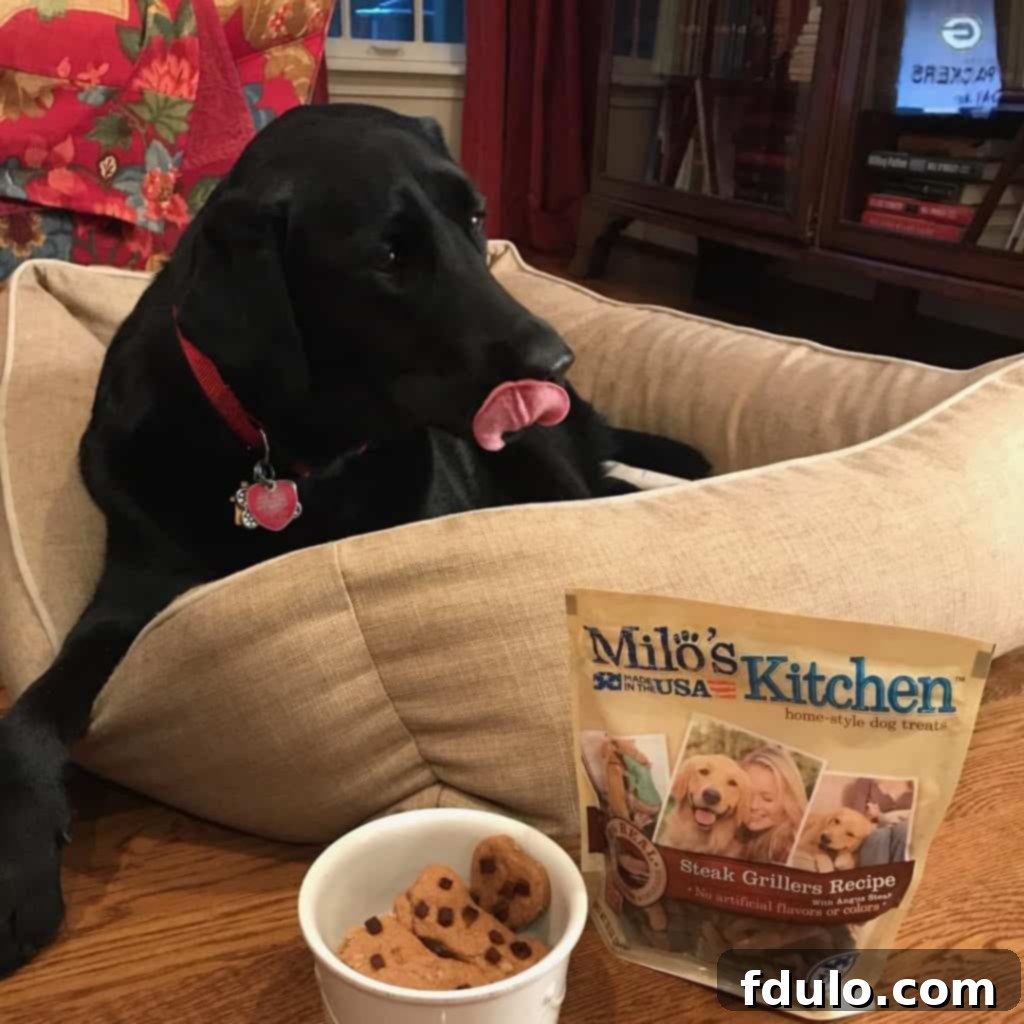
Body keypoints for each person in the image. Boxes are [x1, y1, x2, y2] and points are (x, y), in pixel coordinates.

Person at [739, 745, 809, 864]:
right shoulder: (737, 833)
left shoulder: (785, 851)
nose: (753, 805)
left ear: (789, 802)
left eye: (767, 799)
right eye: (748, 794)